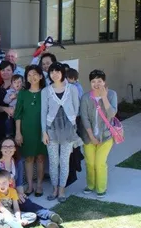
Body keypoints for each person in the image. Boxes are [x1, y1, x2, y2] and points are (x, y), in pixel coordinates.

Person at [0, 138, 63, 228]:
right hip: (0, 198)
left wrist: (21, 194)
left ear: (15, 149)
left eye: (11, 146)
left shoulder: (17, 162)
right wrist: (14, 195)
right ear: (0, 149)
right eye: (5, 146)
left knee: (26, 203)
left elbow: (19, 182)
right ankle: (47, 218)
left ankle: (49, 219)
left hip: (14, 194)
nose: (8, 148)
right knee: (21, 210)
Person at [40, 62, 82, 202]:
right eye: (52, 72)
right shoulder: (46, 91)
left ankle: (62, 189)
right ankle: (54, 189)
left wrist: (71, 122)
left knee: (64, 161)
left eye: (57, 71)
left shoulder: (72, 89)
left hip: (68, 129)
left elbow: (76, 108)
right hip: (51, 129)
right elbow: (43, 112)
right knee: (53, 161)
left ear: (62, 73)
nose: (55, 74)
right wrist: (44, 132)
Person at [79, 69, 118, 198]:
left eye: (99, 81)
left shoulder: (112, 94)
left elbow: (112, 114)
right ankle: (90, 185)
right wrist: (91, 136)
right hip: (89, 136)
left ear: (104, 82)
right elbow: (84, 118)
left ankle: (101, 188)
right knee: (90, 162)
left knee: (100, 162)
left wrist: (104, 97)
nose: (96, 84)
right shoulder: (85, 97)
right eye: (93, 81)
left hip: (106, 135)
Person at [15, 64, 47, 197]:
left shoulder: (46, 92)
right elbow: (18, 114)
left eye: (35, 74)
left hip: (42, 130)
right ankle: (29, 185)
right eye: (29, 74)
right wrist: (18, 132)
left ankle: (39, 184)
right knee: (28, 158)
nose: (32, 77)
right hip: (26, 130)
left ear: (40, 76)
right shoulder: (22, 94)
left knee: (40, 158)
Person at [0, 61, 18, 145]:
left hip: (17, 122)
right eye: (3, 70)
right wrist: (5, 109)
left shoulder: (19, 88)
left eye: (8, 70)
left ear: (13, 72)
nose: (5, 72)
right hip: (1, 123)